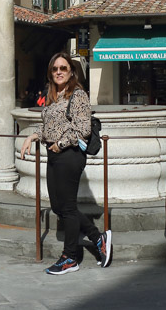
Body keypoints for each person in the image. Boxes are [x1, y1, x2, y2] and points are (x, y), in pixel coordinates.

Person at [19, 52, 111, 274]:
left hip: (69, 155)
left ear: (71, 72)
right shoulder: (53, 96)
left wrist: (61, 144)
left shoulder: (78, 95)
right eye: (55, 69)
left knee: (67, 207)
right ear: (50, 73)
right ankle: (98, 238)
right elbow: (51, 126)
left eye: (63, 68)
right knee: (59, 206)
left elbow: (83, 129)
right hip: (54, 154)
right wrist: (34, 135)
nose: (59, 72)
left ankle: (70, 257)